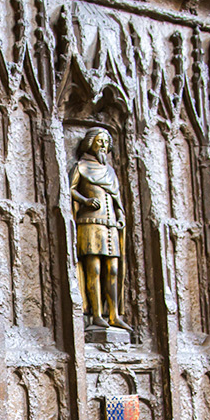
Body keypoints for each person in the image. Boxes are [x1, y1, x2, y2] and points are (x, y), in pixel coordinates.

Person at [70, 127, 128, 331]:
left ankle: (113, 314)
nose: (103, 145)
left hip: (110, 224)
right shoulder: (81, 166)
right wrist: (85, 200)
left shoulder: (110, 172)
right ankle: (95, 315)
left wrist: (120, 215)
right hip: (90, 223)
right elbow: (70, 189)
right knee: (93, 269)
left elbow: (116, 197)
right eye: (99, 141)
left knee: (113, 269)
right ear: (90, 143)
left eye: (106, 141)